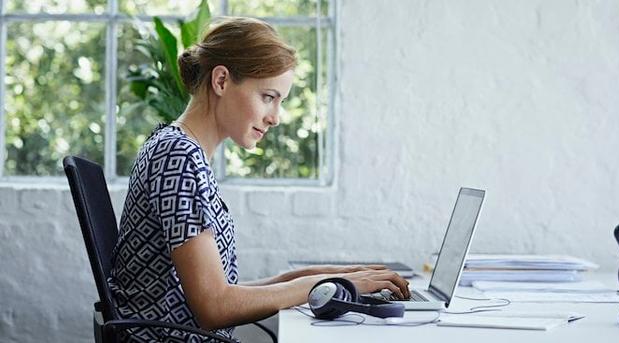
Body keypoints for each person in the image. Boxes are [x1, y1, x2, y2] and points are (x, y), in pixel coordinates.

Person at [109, 17, 410, 342]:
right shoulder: (179, 156)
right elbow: (214, 307)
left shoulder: (182, 150)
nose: (276, 117)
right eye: (268, 96)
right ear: (221, 80)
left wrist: (335, 277)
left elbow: (221, 292)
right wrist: (323, 283)